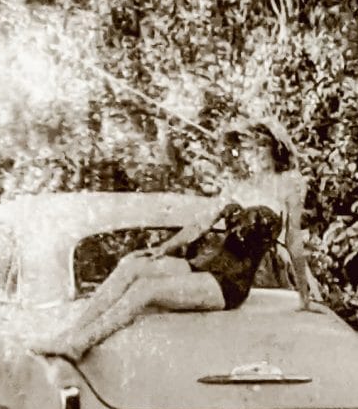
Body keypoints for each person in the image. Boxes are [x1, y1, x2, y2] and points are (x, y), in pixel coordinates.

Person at [34, 119, 318, 359]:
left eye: (259, 147)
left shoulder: (290, 184)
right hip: (205, 266)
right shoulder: (239, 186)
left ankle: (80, 344)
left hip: (229, 283)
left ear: (275, 147)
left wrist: (304, 294)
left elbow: (294, 241)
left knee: (146, 289)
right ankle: (69, 334)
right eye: (247, 149)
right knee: (132, 263)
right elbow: (200, 224)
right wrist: (164, 248)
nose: (252, 155)